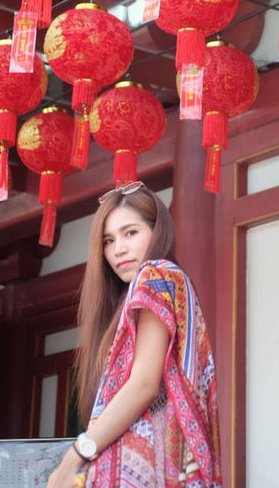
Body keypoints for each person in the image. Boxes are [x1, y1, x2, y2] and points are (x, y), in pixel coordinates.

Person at [47, 181, 222, 488]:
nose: (119, 250)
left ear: (158, 232)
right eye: (108, 240)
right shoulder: (159, 286)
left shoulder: (156, 276)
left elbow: (144, 385)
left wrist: (76, 454)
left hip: (152, 464)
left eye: (131, 233)